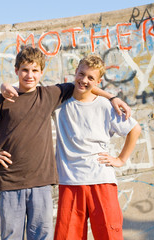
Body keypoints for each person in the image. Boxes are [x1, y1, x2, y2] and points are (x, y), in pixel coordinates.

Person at [0, 46, 131, 240]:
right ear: (16, 70)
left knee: (41, 236)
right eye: (25, 70)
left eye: (35, 70)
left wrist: (112, 97)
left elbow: (85, 84)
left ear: (41, 72)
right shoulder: (4, 100)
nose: (30, 75)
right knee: (11, 236)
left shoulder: (50, 95)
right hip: (10, 182)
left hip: (42, 183)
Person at [53, 54, 141, 240]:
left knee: (109, 235)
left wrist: (121, 159)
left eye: (91, 78)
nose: (84, 80)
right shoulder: (59, 102)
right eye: (81, 74)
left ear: (99, 81)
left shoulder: (105, 106)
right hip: (70, 181)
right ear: (75, 72)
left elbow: (135, 129)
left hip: (101, 180)